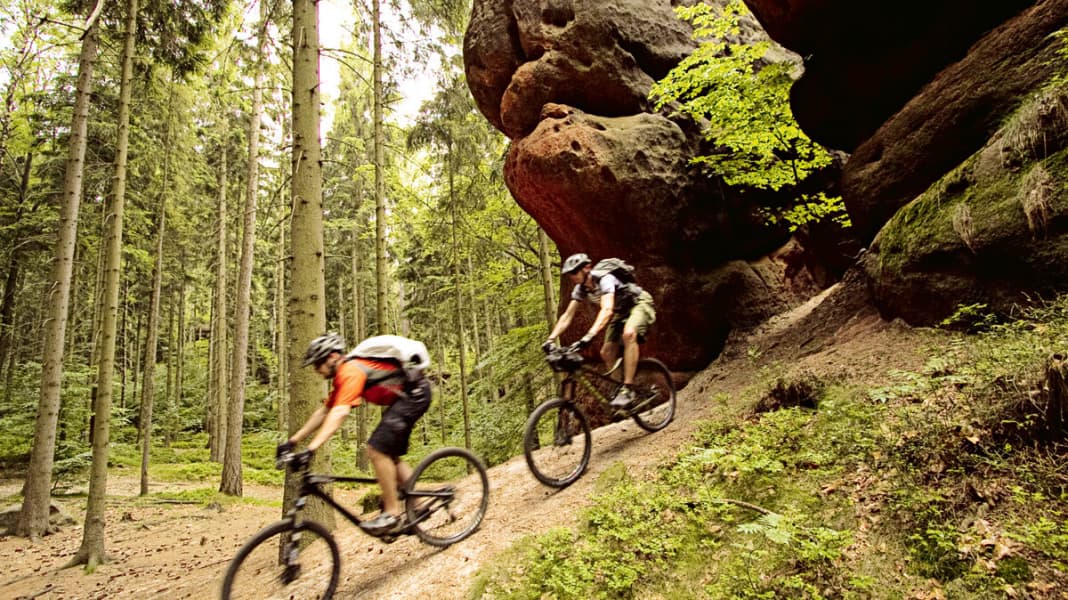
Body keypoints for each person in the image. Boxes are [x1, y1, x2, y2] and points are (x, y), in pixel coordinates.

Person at [276, 333, 432, 535]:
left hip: (415, 395)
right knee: (389, 456)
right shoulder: (345, 375)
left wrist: (311, 448)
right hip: (407, 399)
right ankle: (418, 507)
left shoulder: (350, 371)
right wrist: (292, 441)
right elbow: (324, 411)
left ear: (332, 357)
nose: (316, 370)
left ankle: (392, 514)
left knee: (375, 449)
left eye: (317, 364)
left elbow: (340, 412)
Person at [543, 253, 656, 409]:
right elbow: (567, 316)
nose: (573, 277)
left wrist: (589, 335)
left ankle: (628, 389)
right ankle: (619, 390)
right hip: (621, 311)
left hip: (638, 303)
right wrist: (550, 339)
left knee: (629, 334)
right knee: (606, 352)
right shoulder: (580, 289)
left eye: (575, 272)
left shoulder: (605, 279)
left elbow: (607, 309)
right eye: (570, 274)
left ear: (587, 268)